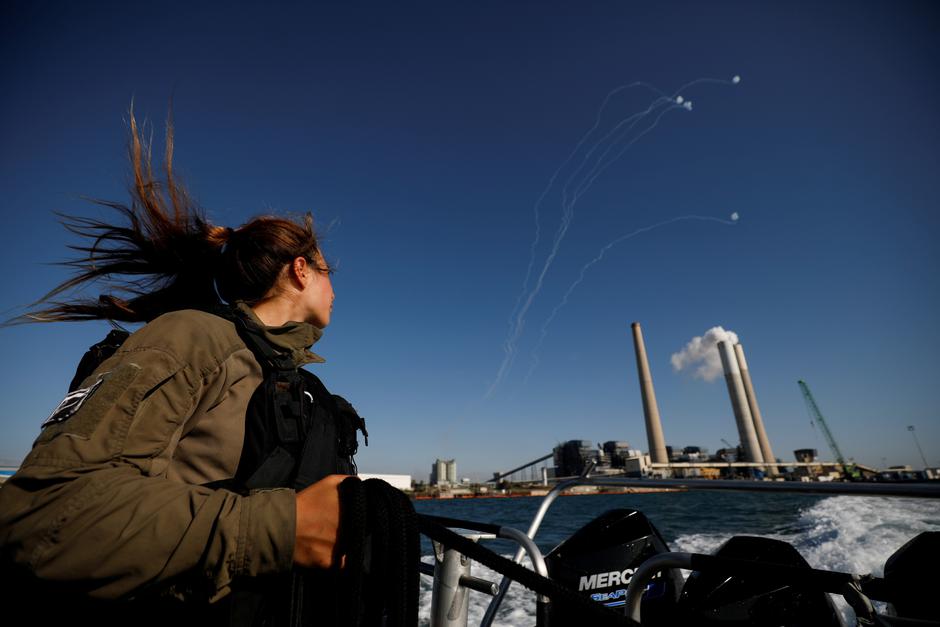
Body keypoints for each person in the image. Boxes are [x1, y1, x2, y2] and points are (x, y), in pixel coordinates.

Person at [0, 112, 363, 624]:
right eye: (328, 271)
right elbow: (46, 518)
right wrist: (281, 529)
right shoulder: (193, 337)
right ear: (300, 271)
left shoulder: (291, 380)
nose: (334, 288)